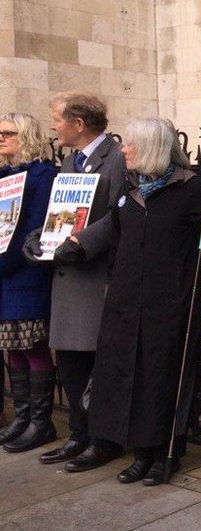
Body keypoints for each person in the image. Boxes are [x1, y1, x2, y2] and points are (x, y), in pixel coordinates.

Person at [62, 117, 201, 486]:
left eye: (130, 144)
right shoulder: (131, 189)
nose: (123, 150)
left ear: (153, 148)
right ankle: (140, 453)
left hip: (167, 303)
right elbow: (112, 226)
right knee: (127, 375)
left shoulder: (190, 190)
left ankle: (165, 455)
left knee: (160, 379)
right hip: (125, 300)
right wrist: (80, 242)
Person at [21, 91, 127, 469]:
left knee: (97, 366)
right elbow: (60, 213)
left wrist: (82, 243)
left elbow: (119, 216)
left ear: (78, 124)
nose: (53, 125)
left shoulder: (115, 159)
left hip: (93, 278)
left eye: (57, 118)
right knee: (70, 365)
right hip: (66, 280)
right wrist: (40, 237)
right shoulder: (69, 160)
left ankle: (104, 440)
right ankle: (79, 436)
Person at [0, 113, 57, 453]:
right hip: (5, 275)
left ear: (27, 135)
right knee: (13, 346)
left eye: (8, 133)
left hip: (26, 272)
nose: (1, 138)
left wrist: (4, 263)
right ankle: (22, 419)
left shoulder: (42, 175)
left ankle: (41, 424)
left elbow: (34, 228)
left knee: (33, 345)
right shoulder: (4, 175)